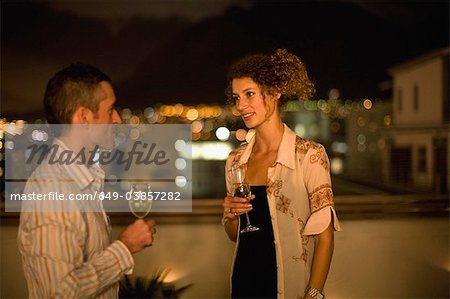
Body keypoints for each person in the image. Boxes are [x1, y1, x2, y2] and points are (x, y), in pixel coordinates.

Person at [17, 62, 156, 299]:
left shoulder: (81, 179)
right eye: (110, 109)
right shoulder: (54, 188)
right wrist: (125, 247)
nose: (117, 119)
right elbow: (59, 292)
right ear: (84, 116)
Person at [222, 49, 342, 299]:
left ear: (275, 93)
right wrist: (231, 217)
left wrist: (313, 294)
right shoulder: (235, 161)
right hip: (243, 284)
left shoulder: (309, 155)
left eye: (249, 94)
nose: (241, 105)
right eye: (236, 97)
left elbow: (325, 237)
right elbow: (237, 236)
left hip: (288, 289)